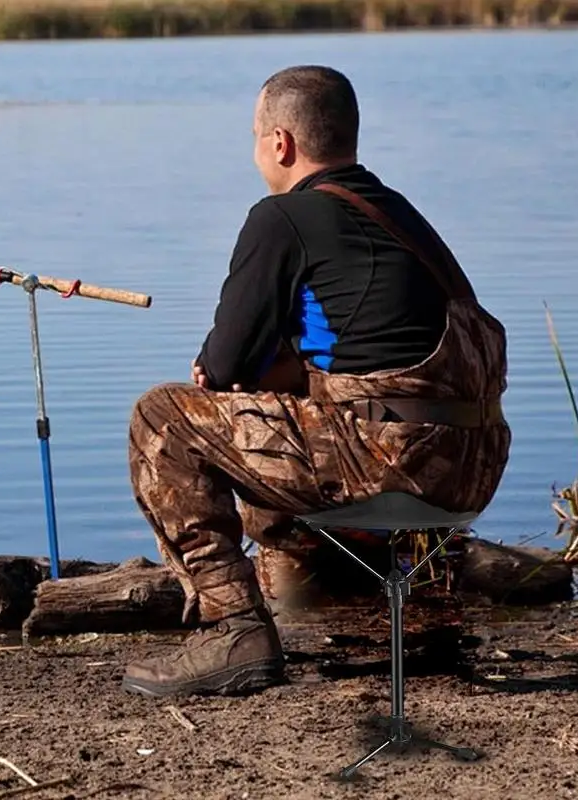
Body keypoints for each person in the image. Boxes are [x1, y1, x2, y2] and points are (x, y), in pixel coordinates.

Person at [123, 65, 511, 699]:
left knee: (162, 417)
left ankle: (235, 630)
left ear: (280, 143)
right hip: (474, 469)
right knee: (275, 405)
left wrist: (234, 374)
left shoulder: (283, 217)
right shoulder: (400, 215)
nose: (254, 152)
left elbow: (221, 366)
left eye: (253, 136)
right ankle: (346, 592)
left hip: (391, 463)